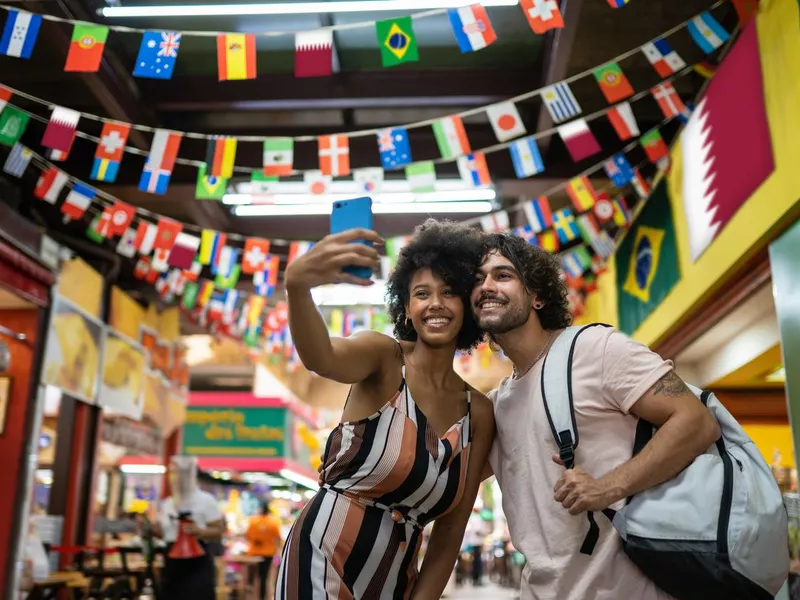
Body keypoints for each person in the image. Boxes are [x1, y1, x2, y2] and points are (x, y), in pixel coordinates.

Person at [472, 233, 720, 600]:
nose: (486, 286)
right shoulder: (496, 404)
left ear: (537, 296)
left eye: (503, 275)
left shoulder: (594, 349)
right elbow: (450, 481)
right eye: (476, 280)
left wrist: (608, 487)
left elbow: (697, 421)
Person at [276, 220, 495, 599]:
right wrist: (298, 286)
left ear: (468, 306)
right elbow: (321, 357)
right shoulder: (383, 358)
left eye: (449, 291)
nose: (436, 304)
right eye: (422, 293)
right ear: (407, 309)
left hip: (394, 579)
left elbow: (449, 534)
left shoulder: (479, 411)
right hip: (322, 556)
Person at [149, 456, 225, 600]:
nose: (177, 477)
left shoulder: (206, 501)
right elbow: (164, 534)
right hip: (172, 562)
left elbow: (219, 531)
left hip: (197, 561)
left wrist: (200, 531)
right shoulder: (168, 503)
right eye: (173, 472)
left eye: (181, 473)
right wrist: (151, 529)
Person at [246, 500, 282, 600]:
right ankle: (261, 597)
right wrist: (278, 551)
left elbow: (247, 536)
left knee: (251, 576)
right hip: (268, 553)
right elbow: (278, 538)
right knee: (263, 576)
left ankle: (250, 595)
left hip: (253, 553)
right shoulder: (274, 522)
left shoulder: (252, 521)